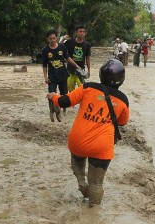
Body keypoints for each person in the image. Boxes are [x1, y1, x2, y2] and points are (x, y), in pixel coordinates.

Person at [46, 59, 129, 207]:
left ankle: (81, 182)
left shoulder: (88, 87)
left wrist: (53, 96)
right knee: (96, 183)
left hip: (78, 140)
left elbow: (65, 101)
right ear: (121, 79)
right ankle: (93, 214)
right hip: (102, 146)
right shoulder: (123, 100)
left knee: (77, 157)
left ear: (101, 75)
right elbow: (122, 122)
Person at [42, 30, 80, 122]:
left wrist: (75, 65)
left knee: (64, 94)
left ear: (56, 38)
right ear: (47, 39)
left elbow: (67, 58)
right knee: (51, 94)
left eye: (54, 38)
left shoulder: (62, 47)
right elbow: (44, 65)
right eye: (50, 38)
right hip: (52, 76)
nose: (52, 40)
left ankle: (62, 111)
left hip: (63, 75)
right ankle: (52, 111)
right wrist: (45, 77)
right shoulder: (45, 50)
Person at [61, 25, 91, 91]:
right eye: (80, 31)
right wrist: (63, 39)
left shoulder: (87, 44)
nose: (82, 33)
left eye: (83, 32)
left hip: (80, 70)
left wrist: (89, 70)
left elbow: (87, 58)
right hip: (70, 71)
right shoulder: (70, 42)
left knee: (83, 89)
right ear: (76, 33)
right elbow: (59, 47)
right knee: (71, 90)